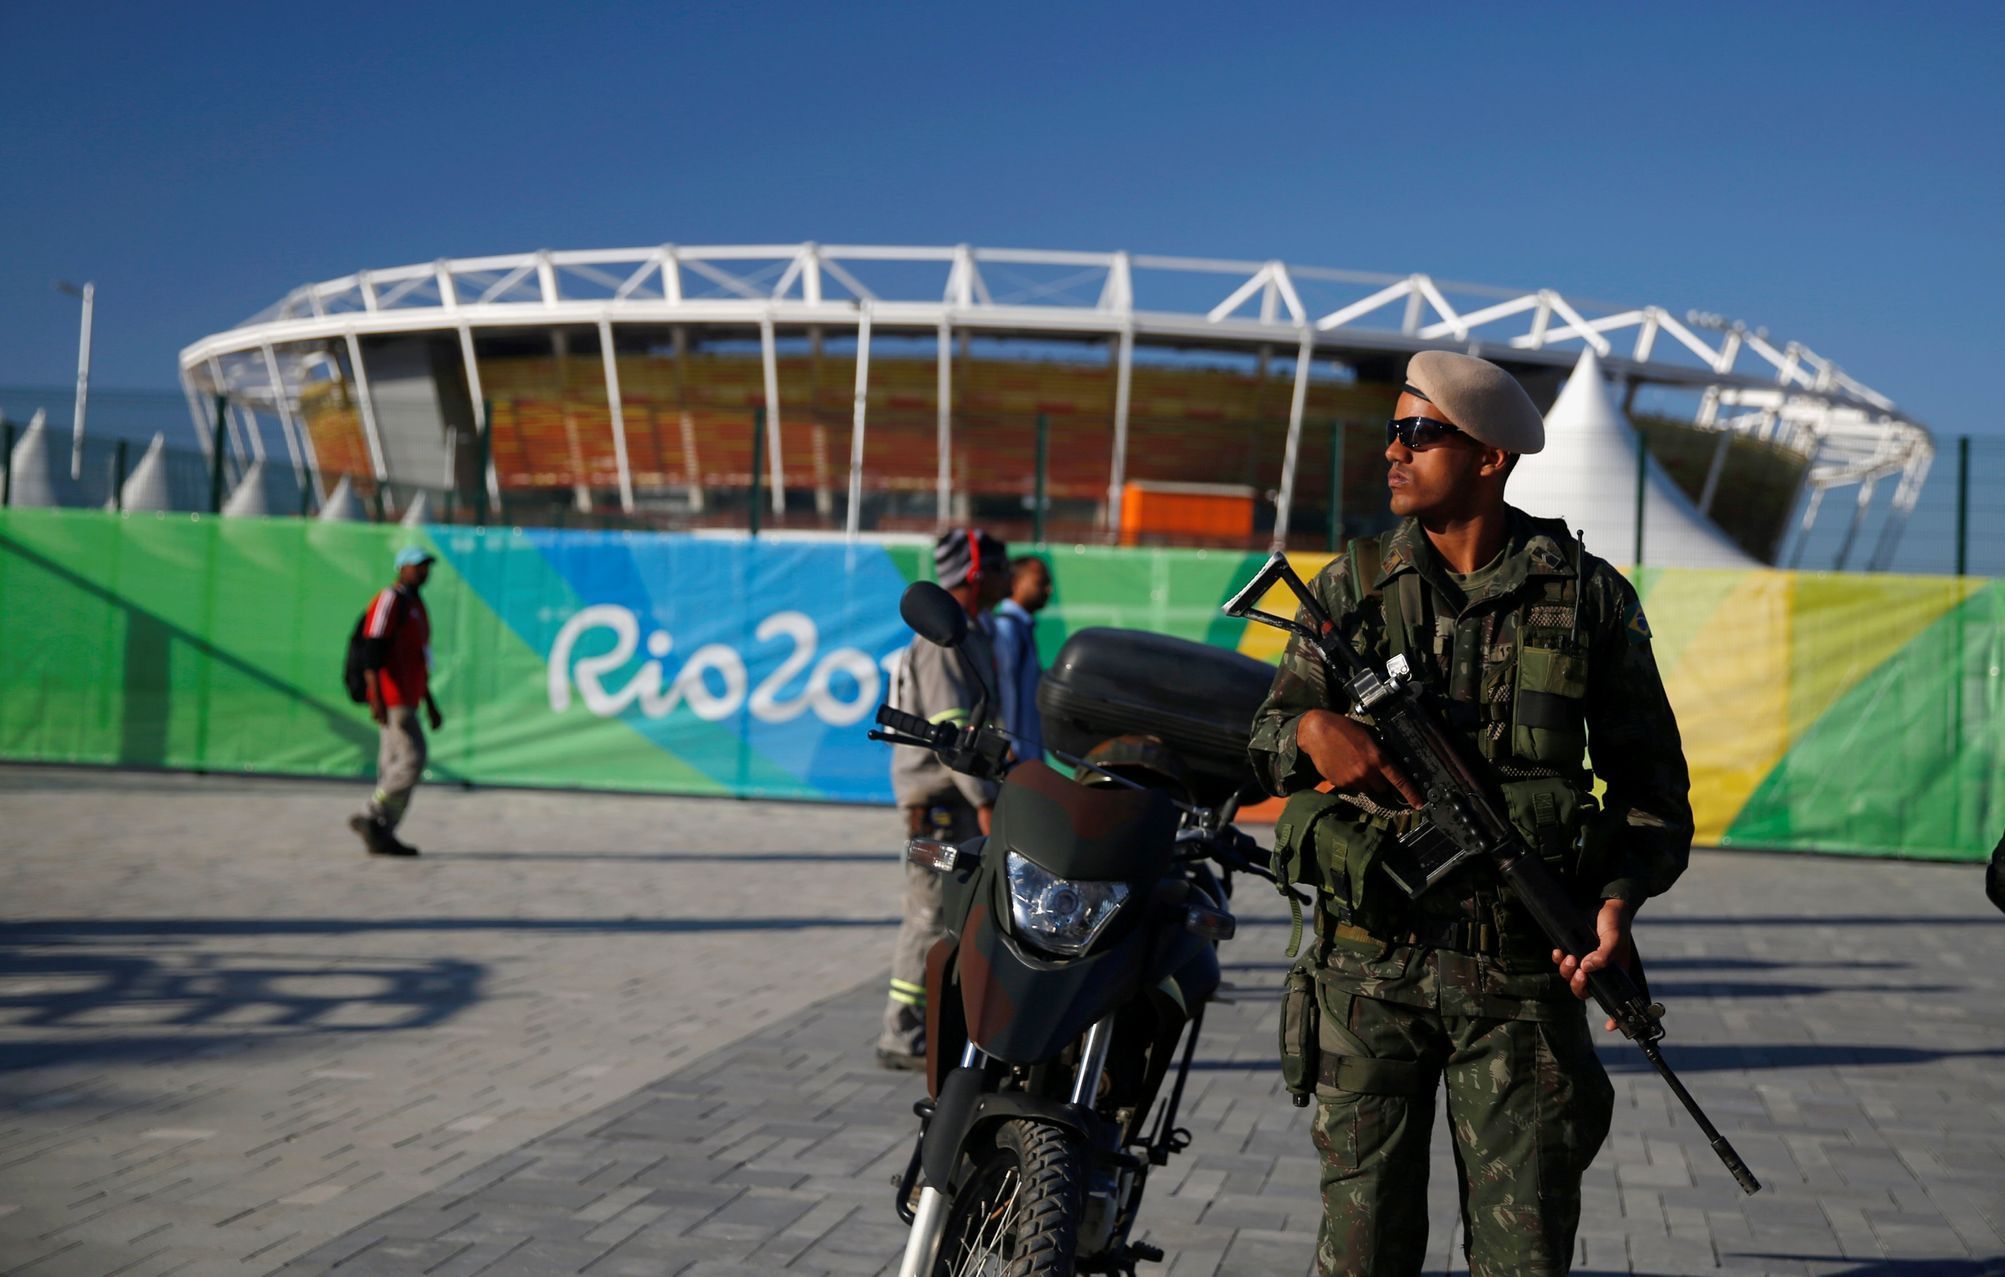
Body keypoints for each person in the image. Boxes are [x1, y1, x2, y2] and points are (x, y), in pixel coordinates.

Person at [1247, 350, 1694, 1277]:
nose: (1392, 452)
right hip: (1368, 976)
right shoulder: (1349, 587)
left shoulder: (1586, 597)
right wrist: (1313, 732)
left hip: (1520, 984)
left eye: (1417, 434)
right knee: (1360, 1256)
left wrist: (1615, 901)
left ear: (1489, 456)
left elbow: (1652, 797)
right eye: (1392, 432)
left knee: (1522, 1258)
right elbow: (1264, 739)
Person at [877, 527, 1010, 1070]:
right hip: (939, 811)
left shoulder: (965, 633)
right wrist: (985, 800)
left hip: (954, 805)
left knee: (952, 916)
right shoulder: (942, 643)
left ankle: (938, 1028)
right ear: (975, 572)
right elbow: (952, 737)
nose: (1008, 576)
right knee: (931, 914)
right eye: (999, 567)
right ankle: (902, 1035)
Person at [349, 546, 444, 858]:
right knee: (413, 759)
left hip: (409, 697)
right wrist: (375, 695)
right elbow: (372, 648)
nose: (423, 571)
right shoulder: (390, 599)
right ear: (401, 568)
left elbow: (419, 659)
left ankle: (381, 832)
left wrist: (430, 702)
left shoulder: (415, 605)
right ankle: (371, 812)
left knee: (392, 766)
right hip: (392, 697)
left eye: (426, 566)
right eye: (417, 566)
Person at [991, 555, 1052, 764]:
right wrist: (1005, 742)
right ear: (1016, 582)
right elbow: (1003, 688)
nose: (1048, 590)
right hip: (1014, 759)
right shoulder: (1006, 628)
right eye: (1040, 582)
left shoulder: (1021, 628)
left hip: (1027, 756)